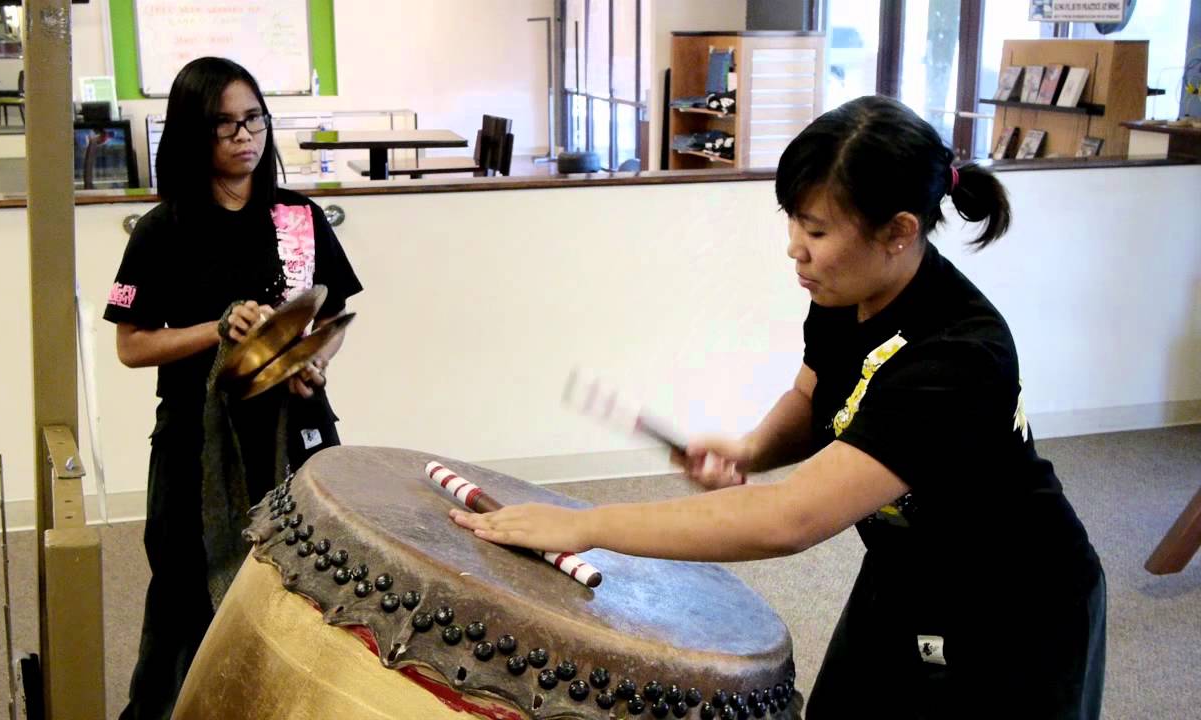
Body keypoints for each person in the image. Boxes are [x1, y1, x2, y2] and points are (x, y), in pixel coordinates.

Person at [451, 96, 1105, 719]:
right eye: (793, 219)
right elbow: (814, 394)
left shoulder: (959, 355)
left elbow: (790, 519)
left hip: (1014, 607)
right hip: (904, 572)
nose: (796, 246)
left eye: (816, 229)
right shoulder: (843, 293)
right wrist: (755, 448)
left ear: (899, 231)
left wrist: (587, 526)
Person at [103, 57, 362, 719]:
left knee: (309, 586)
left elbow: (329, 318)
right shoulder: (164, 230)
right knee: (186, 596)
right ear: (195, 135)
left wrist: (315, 359)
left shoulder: (297, 218)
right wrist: (216, 331)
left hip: (295, 432)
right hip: (197, 441)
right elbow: (131, 345)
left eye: (253, 119)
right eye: (225, 126)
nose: (245, 136)